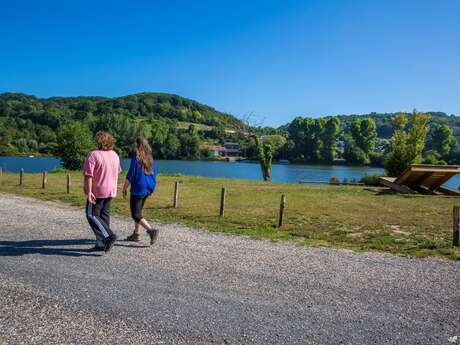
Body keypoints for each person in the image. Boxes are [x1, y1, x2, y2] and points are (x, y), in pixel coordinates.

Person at [83, 131, 121, 253]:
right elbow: (118, 171)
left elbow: (89, 175)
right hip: (110, 190)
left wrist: (89, 191)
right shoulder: (115, 155)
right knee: (104, 216)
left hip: (97, 191)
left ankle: (108, 236)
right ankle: (101, 243)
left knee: (92, 215)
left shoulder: (93, 155)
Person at [122, 137, 158, 245]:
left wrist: (124, 188)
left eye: (135, 145)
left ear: (138, 146)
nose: (134, 146)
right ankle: (136, 234)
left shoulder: (136, 158)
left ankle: (151, 231)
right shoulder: (150, 158)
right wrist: (152, 188)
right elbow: (154, 173)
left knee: (135, 214)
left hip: (138, 189)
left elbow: (130, 175)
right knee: (139, 212)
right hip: (147, 189)